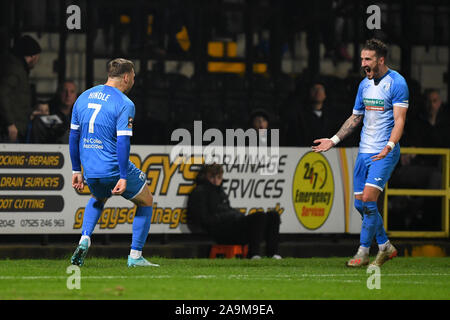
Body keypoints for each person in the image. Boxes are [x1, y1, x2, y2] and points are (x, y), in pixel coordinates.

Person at [312, 39, 409, 267]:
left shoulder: (397, 83)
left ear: (381, 60)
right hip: (364, 151)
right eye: (362, 59)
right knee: (360, 205)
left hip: (383, 152)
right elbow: (356, 117)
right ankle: (385, 246)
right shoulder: (364, 85)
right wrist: (333, 140)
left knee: (367, 200)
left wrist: (390, 145)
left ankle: (363, 253)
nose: (363, 63)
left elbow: (400, 119)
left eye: (368, 59)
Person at [69, 58, 158, 267]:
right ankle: (135, 256)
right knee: (146, 201)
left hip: (90, 169)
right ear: (126, 77)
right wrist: (124, 176)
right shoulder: (124, 104)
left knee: (99, 197)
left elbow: (73, 137)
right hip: (113, 167)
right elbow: (123, 142)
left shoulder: (82, 97)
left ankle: (85, 238)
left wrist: (76, 170)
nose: (134, 81)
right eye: (134, 77)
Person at [187, 163, 281, 259]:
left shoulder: (220, 192)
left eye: (219, 177)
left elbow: (226, 210)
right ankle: (254, 254)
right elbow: (204, 219)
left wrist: (234, 215)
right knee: (259, 216)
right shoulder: (199, 192)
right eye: (212, 177)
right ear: (204, 176)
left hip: (231, 226)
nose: (216, 181)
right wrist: (228, 216)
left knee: (273, 215)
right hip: (220, 231)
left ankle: (273, 254)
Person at [0, 35, 41, 142]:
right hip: (9, 131)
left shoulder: (14, 67)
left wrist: (29, 112)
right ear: (32, 56)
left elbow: (15, 98)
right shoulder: (15, 69)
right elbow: (2, 93)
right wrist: (10, 124)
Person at [283, 82, 344, 147]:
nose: (318, 92)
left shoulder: (333, 116)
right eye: (314, 89)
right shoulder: (299, 115)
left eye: (321, 90)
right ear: (309, 93)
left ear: (325, 94)